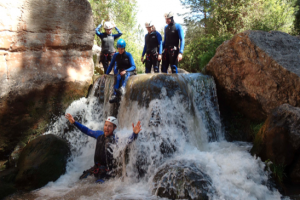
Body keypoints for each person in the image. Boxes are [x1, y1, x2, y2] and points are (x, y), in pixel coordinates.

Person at [65, 114, 142, 183]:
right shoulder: (99, 134)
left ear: (114, 128)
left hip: (107, 171)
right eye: (106, 125)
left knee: (98, 186)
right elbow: (87, 130)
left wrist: (134, 134)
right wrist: (74, 122)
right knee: (80, 180)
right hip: (96, 168)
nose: (107, 128)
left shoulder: (116, 138)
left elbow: (128, 140)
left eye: (110, 126)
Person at [106, 39, 136, 103]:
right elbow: (111, 65)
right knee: (118, 76)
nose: (120, 50)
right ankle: (115, 95)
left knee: (125, 75)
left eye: (122, 49)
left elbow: (133, 66)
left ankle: (122, 89)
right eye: (119, 49)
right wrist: (106, 74)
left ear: (124, 48)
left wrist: (126, 70)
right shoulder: (116, 55)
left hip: (129, 71)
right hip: (121, 72)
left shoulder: (128, 55)